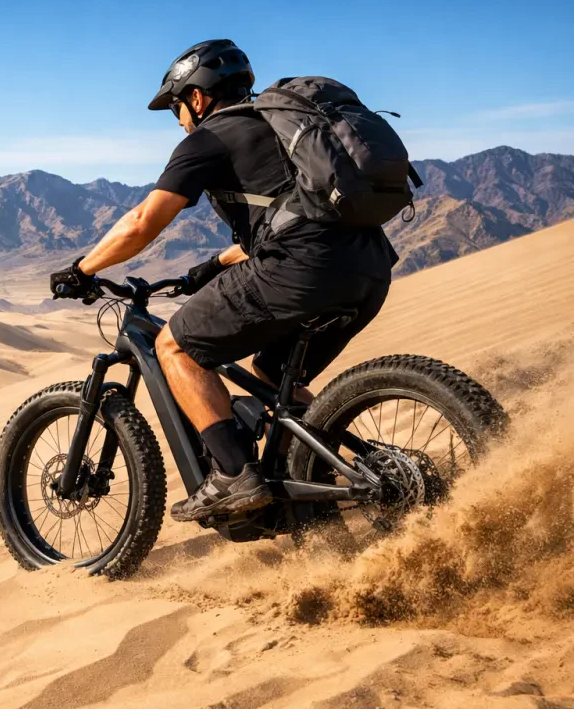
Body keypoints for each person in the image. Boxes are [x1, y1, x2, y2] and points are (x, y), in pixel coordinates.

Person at [50, 39, 397, 521]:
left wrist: (82, 269)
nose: (178, 121)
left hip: (301, 268)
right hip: (369, 267)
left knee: (177, 346)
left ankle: (235, 476)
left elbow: (143, 222)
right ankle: (354, 474)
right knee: (274, 376)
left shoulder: (208, 138)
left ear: (196, 97)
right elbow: (294, 215)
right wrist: (211, 268)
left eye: (176, 108)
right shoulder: (282, 128)